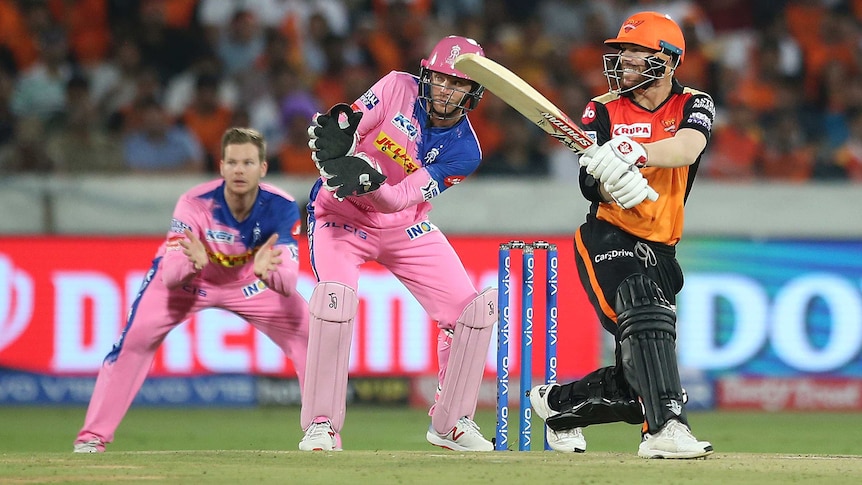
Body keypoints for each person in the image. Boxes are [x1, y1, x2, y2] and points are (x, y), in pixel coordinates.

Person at [529, 12, 716, 459]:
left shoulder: (694, 101)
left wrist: (637, 150)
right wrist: (611, 175)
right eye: (623, 52)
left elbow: (690, 146)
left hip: (663, 247)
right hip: (608, 236)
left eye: (638, 53)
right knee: (644, 307)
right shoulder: (603, 108)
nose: (626, 61)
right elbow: (588, 184)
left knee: (642, 384)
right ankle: (666, 430)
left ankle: (558, 405)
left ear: (669, 61)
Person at [298, 36, 496, 452]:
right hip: (339, 216)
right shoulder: (396, 87)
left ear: (473, 93)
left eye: (458, 84)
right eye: (440, 79)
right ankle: (322, 425)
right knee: (335, 302)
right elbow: (345, 132)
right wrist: (337, 152)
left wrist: (373, 182)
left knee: (473, 313)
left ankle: (451, 422)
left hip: (403, 224)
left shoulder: (465, 151)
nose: (445, 90)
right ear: (426, 75)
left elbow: (402, 198)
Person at [73, 127, 310, 453]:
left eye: (248, 163)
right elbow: (170, 275)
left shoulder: (280, 206)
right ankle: (91, 439)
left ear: (263, 168)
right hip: (190, 283)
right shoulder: (195, 203)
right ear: (221, 167)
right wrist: (192, 264)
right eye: (233, 162)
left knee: (312, 339)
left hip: (249, 283)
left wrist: (268, 274)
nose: (240, 170)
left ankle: (321, 434)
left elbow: (287, 283)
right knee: (134, 340)